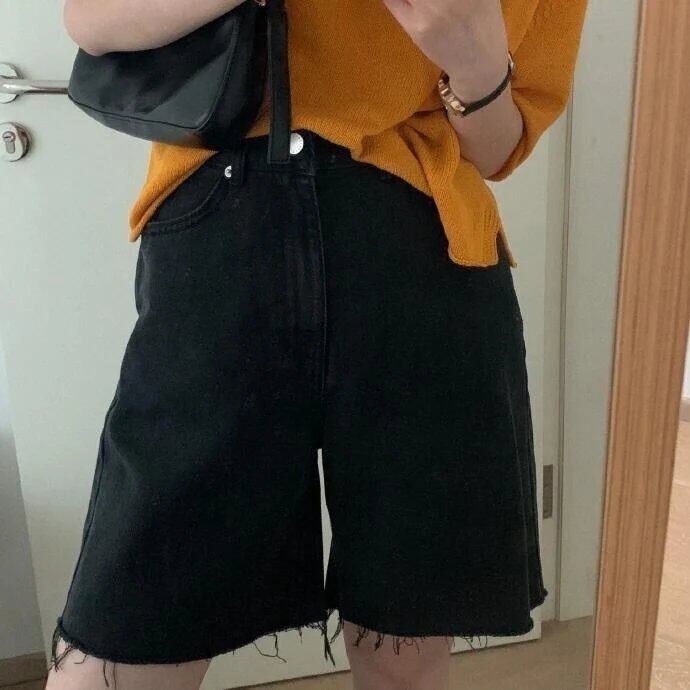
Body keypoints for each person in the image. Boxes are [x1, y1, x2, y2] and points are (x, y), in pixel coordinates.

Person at [47, 0, 588, 688]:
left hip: (424, 249)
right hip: (220, 238)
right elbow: (91, 21)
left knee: (405, 653)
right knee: (123, 633)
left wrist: (476, 62)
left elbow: (499, 148)